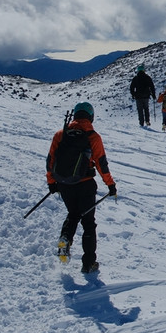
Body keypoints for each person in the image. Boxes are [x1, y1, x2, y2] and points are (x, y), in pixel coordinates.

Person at [46, 101, 117, 275]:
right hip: (85, 184)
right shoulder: (93, 136)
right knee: (88, 223)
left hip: (64, 184)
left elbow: (50, 161)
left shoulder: (60, 134)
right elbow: (101, 163)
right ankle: (88, 263)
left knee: (73, 214)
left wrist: (51, 183)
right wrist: (111, 184)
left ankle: (65, 239)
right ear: (90, 116)